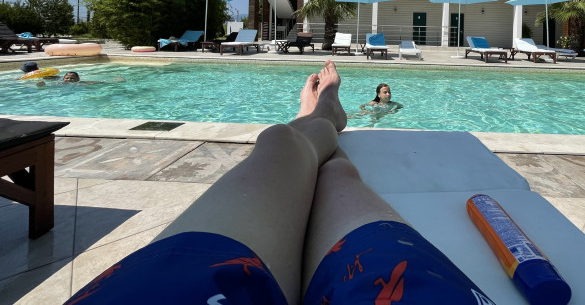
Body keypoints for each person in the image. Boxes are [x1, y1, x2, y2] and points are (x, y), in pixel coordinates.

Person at [63, 60, 491, 305]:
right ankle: (321, 118)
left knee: (282, 141)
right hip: (408, 284)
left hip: (176, 284)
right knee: (328, 168)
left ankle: (314, 119)